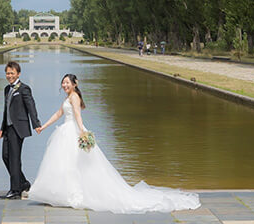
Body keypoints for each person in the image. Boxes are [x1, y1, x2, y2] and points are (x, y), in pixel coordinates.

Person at [29, 73, 200, 213]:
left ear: (74, 84)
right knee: (68, 164)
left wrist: (82, 131)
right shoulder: (69, 97)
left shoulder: (74, 97)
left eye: (67, 83)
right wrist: (43, 126)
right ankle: (65, 193)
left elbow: (77, 115)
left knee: (73, 164)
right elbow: (59, 113)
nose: (64, 85)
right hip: (66, 130)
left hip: (72, 131)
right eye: (63, 83)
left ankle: (71, 194)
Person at [0, 61, 42, 200]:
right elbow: (6, 110)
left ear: (18, 74)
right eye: (7, 73)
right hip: (8, 128)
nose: (9, 75)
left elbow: (31, 106)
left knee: (14, 159)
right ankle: (23, 183)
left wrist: (36, 124)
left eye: (12, 73)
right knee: (5, 156)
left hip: (18, 128)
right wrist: (2, 128)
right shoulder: (6, 89)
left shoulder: (24, 89)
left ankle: (15, 191)